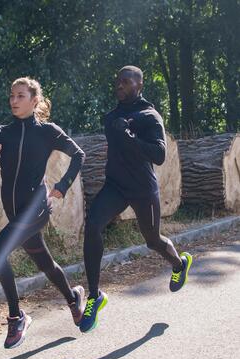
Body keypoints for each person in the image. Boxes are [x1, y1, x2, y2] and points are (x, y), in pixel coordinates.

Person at [0, 77, 86, 349]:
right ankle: (73, 298)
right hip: (15, 213)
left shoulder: (47, 132)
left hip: (36, 209)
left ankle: (16, 317)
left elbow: (79, 154)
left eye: (20, 96)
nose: (13, 101)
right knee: (44, 263)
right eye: (11, 96)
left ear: (34, 101)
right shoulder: (0, 132)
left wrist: (63, 185)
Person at [79, 65, 193, 333]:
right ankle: (95, 296)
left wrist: (130, 137)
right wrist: (121, 132)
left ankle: (179, 263)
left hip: (143, 189)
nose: (119, 85)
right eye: (117, 81)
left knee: (152, 240)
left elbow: (159, 155)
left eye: (125, 81)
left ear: (139, 85)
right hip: (116, 186)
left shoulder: (150, 116)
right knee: (93, 225)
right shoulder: (110, 117)